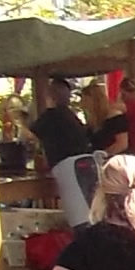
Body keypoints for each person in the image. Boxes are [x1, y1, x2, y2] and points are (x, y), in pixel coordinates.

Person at [30, 75, 97, 224]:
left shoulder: (51, 116)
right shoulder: (72, 116)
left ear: (50, 96)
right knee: (90, 208)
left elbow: (30, 135)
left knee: (78, 215)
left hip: (67, 166)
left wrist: (19, 119)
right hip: (86, 162)